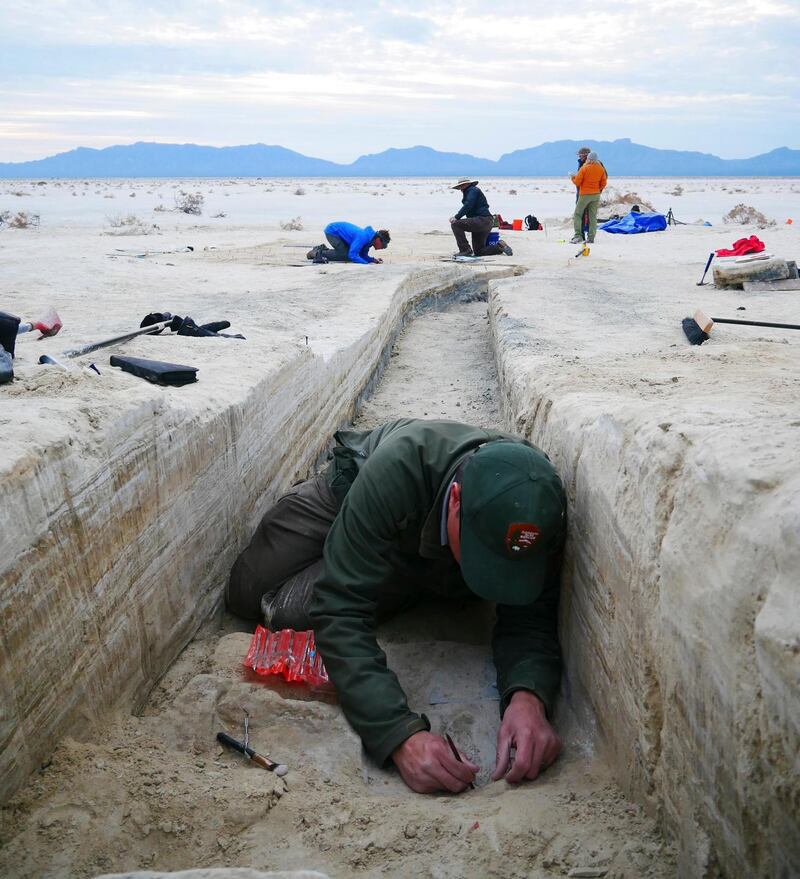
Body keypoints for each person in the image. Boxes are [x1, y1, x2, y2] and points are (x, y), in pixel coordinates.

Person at [227, 418, 567, 795]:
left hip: (414, 546)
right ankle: (356, 548)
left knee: (293, 615)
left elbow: (532, 614)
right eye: (481, 556)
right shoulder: (399, 468)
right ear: (455, 500)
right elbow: (340, 610)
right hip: (355, 492)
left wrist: (527, 695)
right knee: (247, 593)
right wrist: (398, 735)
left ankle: (392, 568)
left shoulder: (539, 509)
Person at [449, 178, 513, 258]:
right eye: (460, 187)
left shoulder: (472, 190)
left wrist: (456, 217)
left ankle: (465, 250)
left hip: (482, 220)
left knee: (455, 224)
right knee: (479, 251)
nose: (461, 188)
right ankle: (500, 247)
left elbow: (468, 205)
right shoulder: (471, 191)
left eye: (462, 185)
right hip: (485, 222)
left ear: (468, 184)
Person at [308, 222, 390, 264]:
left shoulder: (369, 241)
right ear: (378, 239)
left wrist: (372, 260)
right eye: (383, 246)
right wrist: (366, 264)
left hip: (339, 234)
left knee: (348, 254)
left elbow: (362, 255)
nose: (382, 248)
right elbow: (352, 255)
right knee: (345, 255)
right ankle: (317, 253)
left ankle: (322, 249)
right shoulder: (364, 237)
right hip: (332, 231)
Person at [570, 151, 607, 244]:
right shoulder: (600, 169)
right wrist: (597, 189)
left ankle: (578, 236)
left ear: (589, 159)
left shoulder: (584, 168)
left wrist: (572, 177)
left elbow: (577, 182)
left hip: (585, 195)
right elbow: (604, 183)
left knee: (578, 214)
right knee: (593, 217)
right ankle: (591, 238)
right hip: (596, 195)